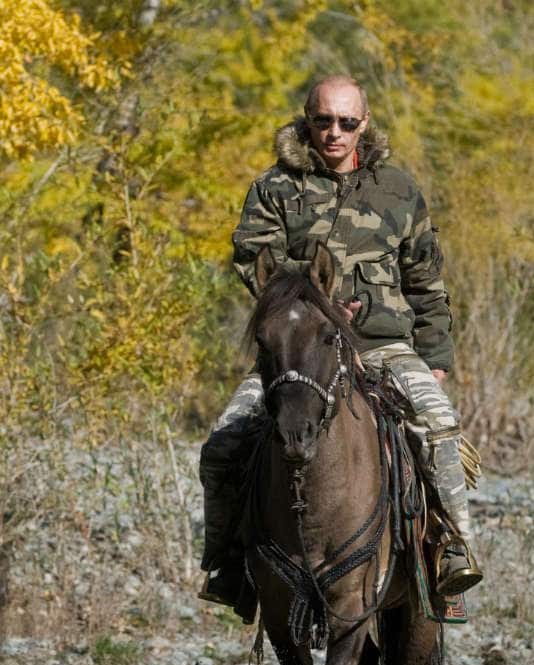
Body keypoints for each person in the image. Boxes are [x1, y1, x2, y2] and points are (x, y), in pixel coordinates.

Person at [199, 75, 482, 611]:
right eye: (324, 120)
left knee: (440, 427)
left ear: (364, 123)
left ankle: (451, 551)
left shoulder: (398, 190)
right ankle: (227, 562)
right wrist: (313, 312)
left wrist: (436, 360)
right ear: (307, 119)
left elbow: (426, 281)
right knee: (221, 446)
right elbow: (255, 265)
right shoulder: (273, 190)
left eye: (347, 122)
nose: (335, 132)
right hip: (298, 352)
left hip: (383, 347)